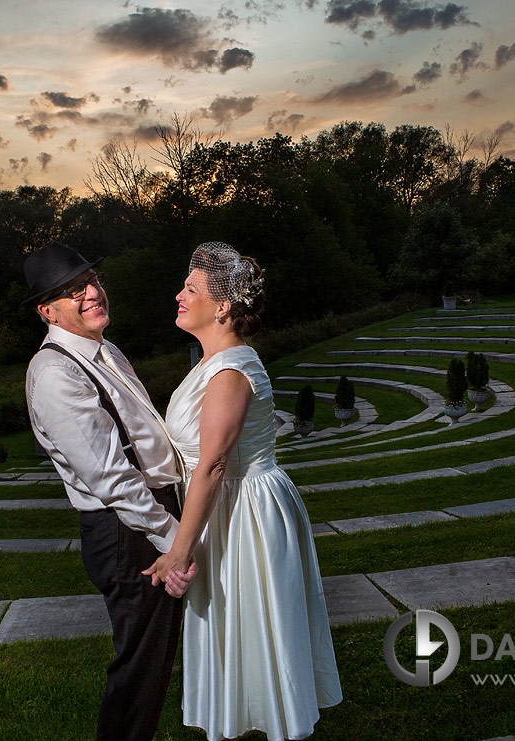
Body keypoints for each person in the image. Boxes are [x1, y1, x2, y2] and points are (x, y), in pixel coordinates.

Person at [144, 242, 342, 741]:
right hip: (228, 505)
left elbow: (211, 464)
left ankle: (271, 719)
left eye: (191, 288)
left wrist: (178, 553)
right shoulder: (218, 362)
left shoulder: (231, 370)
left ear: (224, 306)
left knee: (252, 626)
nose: (179, 295)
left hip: (244, 511)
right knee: (235, 629)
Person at [23, 242, 196, 741]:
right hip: (127, 530)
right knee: (140, 668)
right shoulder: (55, 374)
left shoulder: (107, 351)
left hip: (153, 512)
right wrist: (174, 541)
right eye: (72, 291)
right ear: (47, 311)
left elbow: (145, 436)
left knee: (155, 660)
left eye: (93, 281)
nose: (92, 293)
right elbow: (112, 480)